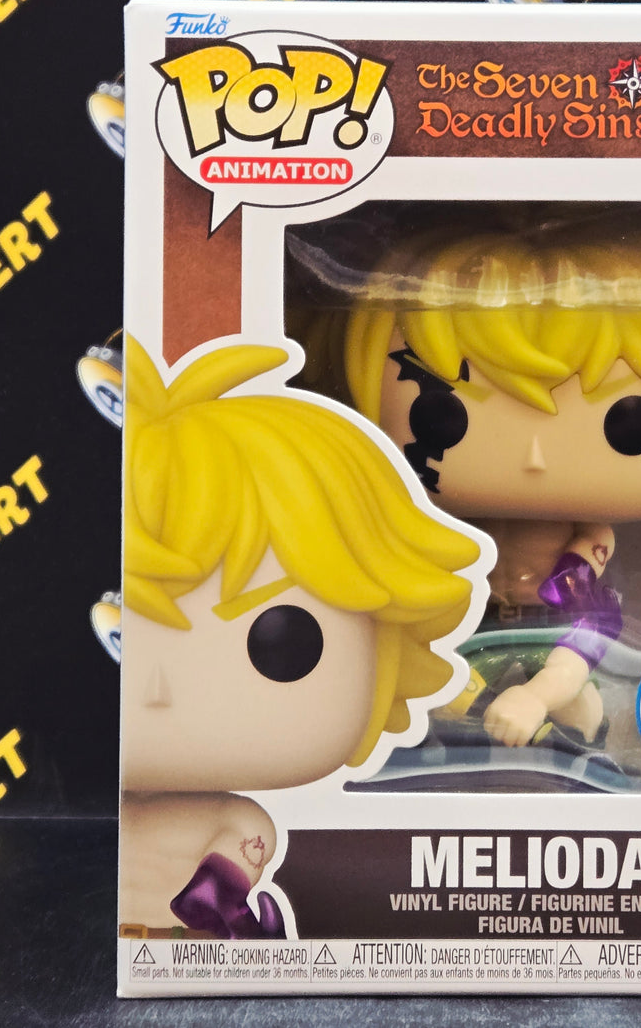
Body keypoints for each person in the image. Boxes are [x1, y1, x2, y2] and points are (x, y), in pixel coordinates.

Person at [335, 230, 641, 750]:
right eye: (441, 415)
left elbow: (584, 634)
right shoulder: (432, 530)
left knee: (576, 701)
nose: (534, 458)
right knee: (442, 694)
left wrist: (538, 695)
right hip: (471, 627)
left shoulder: (586, 550)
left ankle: (568, 741)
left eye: (628, 424)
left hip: (554, 631)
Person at [119, 336, 482, 938]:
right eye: (116, 637)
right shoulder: (74, 808)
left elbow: (223, 898)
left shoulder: (238, 823)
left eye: (282, 643)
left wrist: (224, 916)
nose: (155, 689)